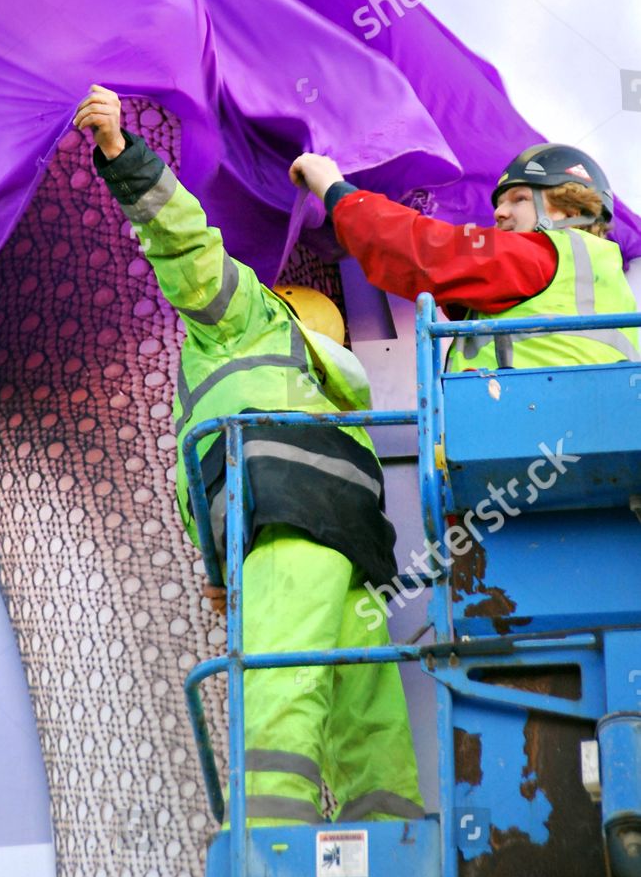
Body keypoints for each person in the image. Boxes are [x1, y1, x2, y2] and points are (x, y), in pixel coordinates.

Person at [75, 85, 425, 829]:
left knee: (280, 681)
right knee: (368, 713)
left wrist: (121, 154)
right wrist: (216, 569)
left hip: (284, 518)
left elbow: (188, 250)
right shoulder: (337, 396)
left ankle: (268, 852)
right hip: (352, 549)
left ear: (287, 309)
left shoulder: (250, 323)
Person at [290, 142, 639, 369]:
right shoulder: (599, 278)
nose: (499, 213)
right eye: (500, 203)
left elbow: (423, 252)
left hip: (524, 425)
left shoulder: (540, 255)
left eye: (518, 199)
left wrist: (335, 190)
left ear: (566, 209)